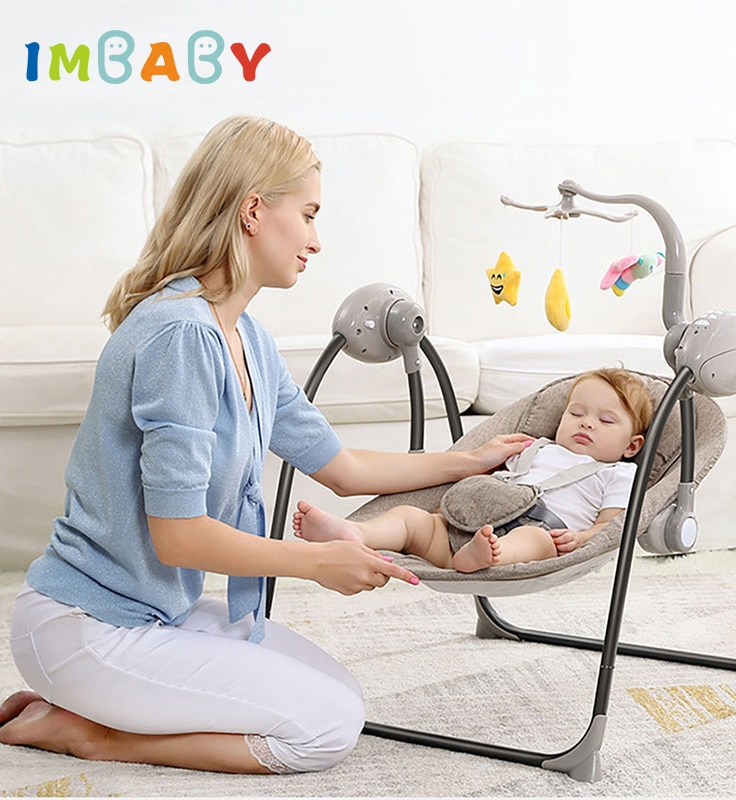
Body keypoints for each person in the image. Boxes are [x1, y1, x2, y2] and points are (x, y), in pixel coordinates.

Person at [0, 115, 532, 775]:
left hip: (155, 613)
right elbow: (178, 537)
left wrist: (468, 459)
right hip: (87, 624)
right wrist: (316, 562)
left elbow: (342, 467)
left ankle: (101, 705)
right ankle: (91, 734)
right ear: (253, 211)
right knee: (324, 729)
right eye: (307, 215)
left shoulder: (246, 338)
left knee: (339, 695)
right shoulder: (182, 337)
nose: (316, 240)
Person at [293, 368, 654, 573]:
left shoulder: (618, 474)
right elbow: (491, 480)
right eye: (576, 413)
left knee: (536, 541)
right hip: (462, 527)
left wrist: (582, 540)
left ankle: (485, 558)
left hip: (540, 531)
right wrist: (456, 505)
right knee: (410, 518)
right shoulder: (536, 448)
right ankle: (357, 532)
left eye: (606, 420)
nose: (587, 423)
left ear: (632, 446)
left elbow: (612, 526)